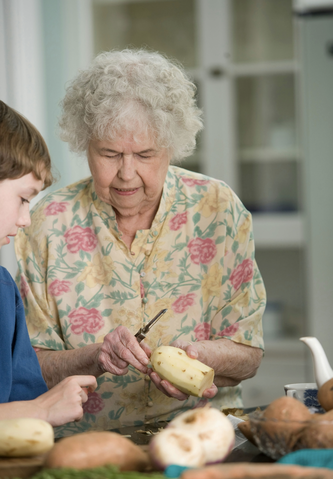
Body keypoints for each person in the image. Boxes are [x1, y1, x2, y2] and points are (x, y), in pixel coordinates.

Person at [15, 49, 266, 437]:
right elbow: (29, 369)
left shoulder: (217, 208)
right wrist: (95, 355)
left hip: (206, 437)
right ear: (85, 146)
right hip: (88, 446)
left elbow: (248, 353)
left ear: (172, 147)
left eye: (145, 154)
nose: (127, 174)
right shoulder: (46, 222)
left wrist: (201, 357)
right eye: (110, 154)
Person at [0, 100, 97, 426]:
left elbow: (24, 401)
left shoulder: (3, 290)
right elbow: (30, 410)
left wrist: (45, 405)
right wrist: (40, 410)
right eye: (24, 198)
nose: (26, 219)